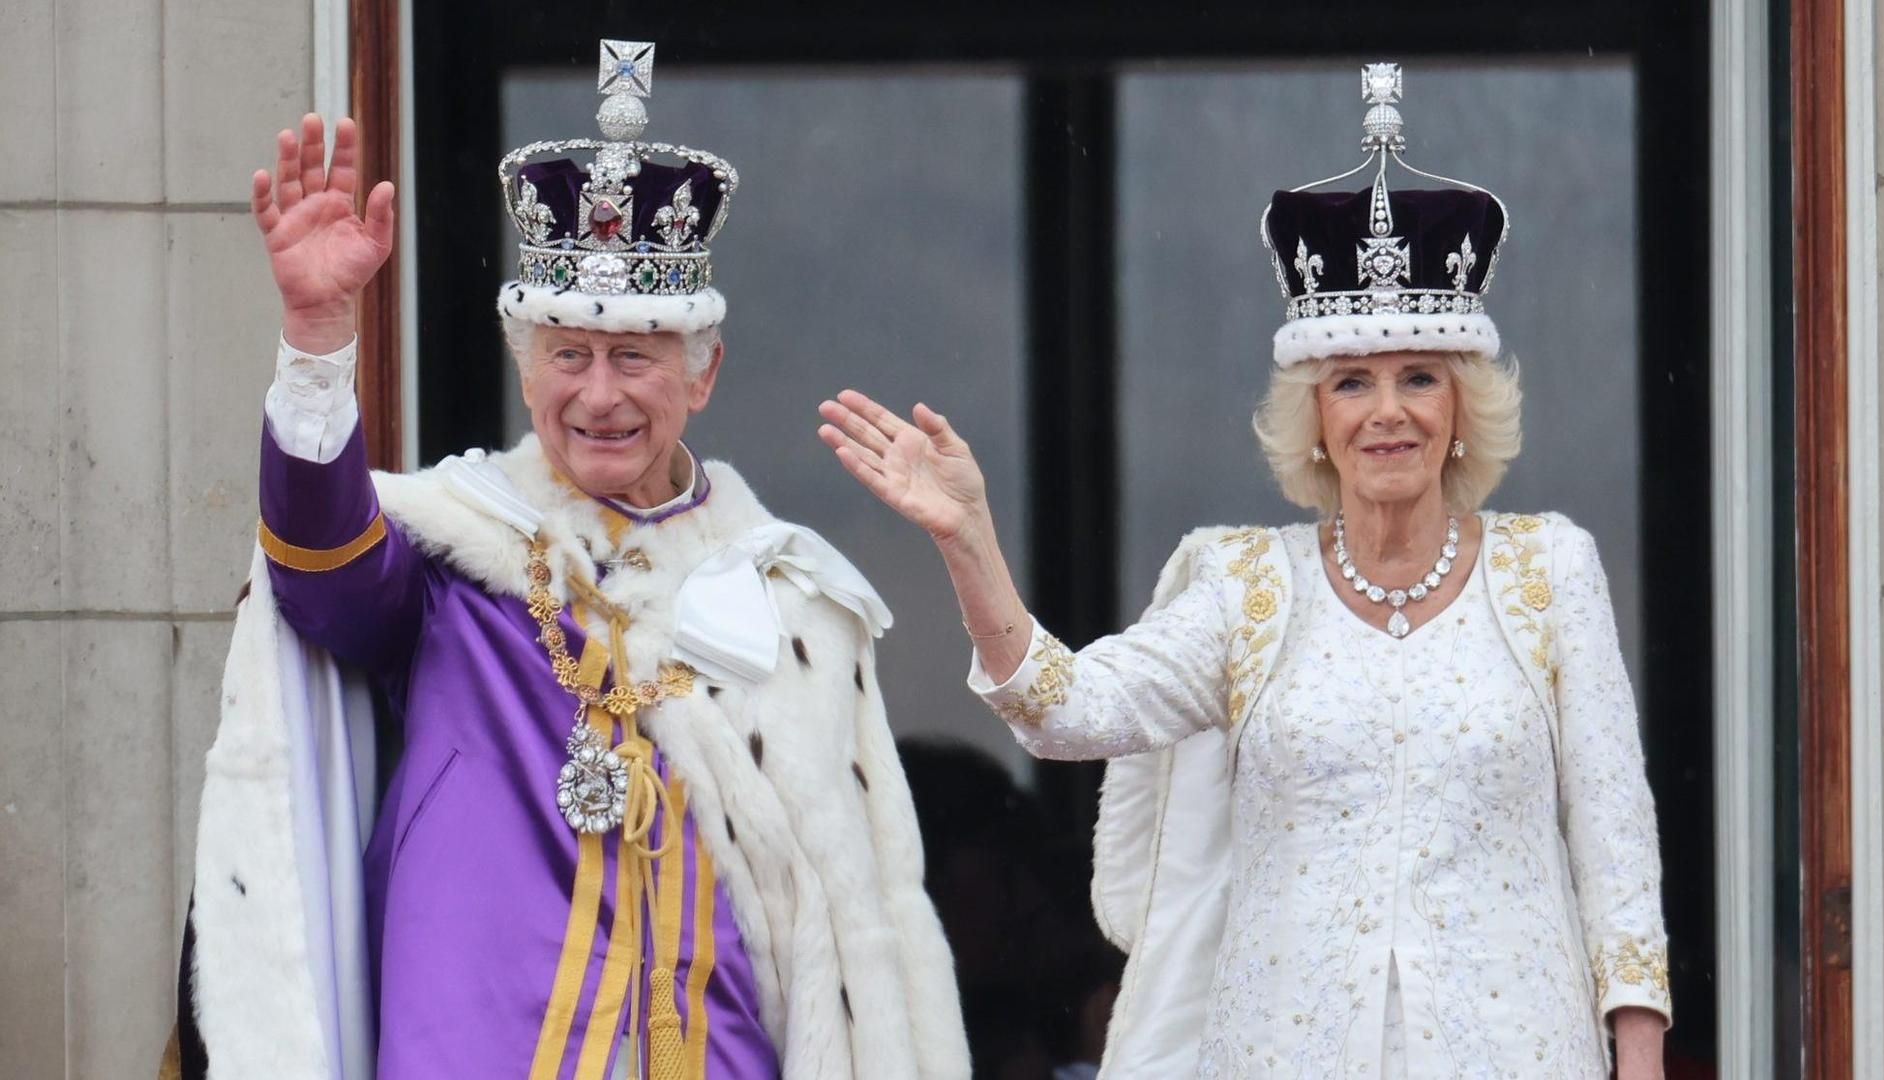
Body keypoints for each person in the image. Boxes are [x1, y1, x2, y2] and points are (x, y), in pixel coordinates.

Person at [818, 63, 1670, 1079]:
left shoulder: (1550, 571)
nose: (1386, 409)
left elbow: (1617, 842)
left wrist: (1640, 1051)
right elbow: (1065, 711)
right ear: (1315, 414)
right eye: (1352, 380)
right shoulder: (1245, 588)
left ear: (1460, 407)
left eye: (1418, 378)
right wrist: (969, 540)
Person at [171, 39, 967, 1080]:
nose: (599, 397)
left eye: (635, 356)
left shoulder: (791, 603)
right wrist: (317, 339)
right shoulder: (462, 559)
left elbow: (847, 935)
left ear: (703, 374)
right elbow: (323, 573)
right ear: (525, 366)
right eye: (569, 356)